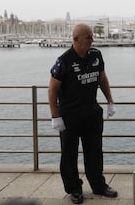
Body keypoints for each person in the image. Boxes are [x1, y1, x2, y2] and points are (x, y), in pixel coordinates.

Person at [48, 23, 118, 204]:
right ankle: (74, 189)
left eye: (92, 36)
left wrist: (110, 101)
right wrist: (55, 116)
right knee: (69, 155)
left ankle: (99, 185)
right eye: (88, 37)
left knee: (95, 152)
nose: (92, 40)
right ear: (76, 39)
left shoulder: (96, 55)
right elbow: (52, 89)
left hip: (92, 113)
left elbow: (102, 78)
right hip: (69, 116)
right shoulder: (64, 60)